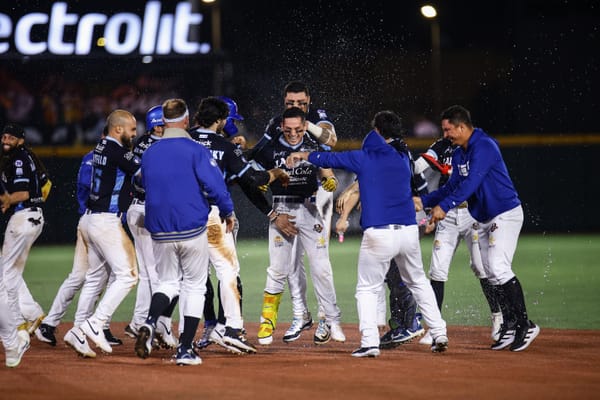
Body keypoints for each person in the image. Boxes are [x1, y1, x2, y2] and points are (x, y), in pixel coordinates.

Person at [287, 110, 448, 357]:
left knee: (367, 288)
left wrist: (302, 154)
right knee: (418, 281)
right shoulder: (403, 156)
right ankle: (439, 332)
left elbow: (327, 159)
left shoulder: (364, 156)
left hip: (379, 234)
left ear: (378, 133)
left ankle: (370, 342)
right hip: (407, 232)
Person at [414, 105, 540, 352]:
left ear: (462, 127)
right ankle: (510, 325)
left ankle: (525, 325)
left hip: (504, 213)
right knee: (491, 272)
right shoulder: (461, 152)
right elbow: (452, 187)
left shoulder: (484, 146)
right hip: (483, 218)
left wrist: (445, 206)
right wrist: (425, 201)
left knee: (498, 267)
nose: (446, 134)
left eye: (448, 129)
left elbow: (472, 182)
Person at [134, 98, 234, 366]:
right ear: (187, 120)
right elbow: (215, 185)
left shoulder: (150, 152)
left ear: (163, 121)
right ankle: (185, 349)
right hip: (191, 226)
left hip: (159, 228)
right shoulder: (195, 150)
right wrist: (228, 211)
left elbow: (138, 182)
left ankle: (150, 321)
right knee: (194, 286)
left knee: (167, 282)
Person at [188, 96, 289, 354]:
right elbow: (251, 179)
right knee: (228, 270)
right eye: (230, 121)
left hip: (179, 216)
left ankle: (180, 334)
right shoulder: (225, 146)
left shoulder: (182, 140)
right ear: (221, 120)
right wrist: (276, 173)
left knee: (188, 279)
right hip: (211, 214)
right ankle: (232, 329)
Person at [247, 81, 341, 343]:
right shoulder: (277, 124)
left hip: (317, 194)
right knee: (289, 264)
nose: (296, 106)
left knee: (320, 262)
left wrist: (302, 125)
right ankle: (301, 314)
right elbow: (258, 153)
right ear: (284, 102)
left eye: (300, 103)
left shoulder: (318, 119)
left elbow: (331, 141)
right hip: (286, 198)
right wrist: (262, 173)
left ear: (308, 100)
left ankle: (326, 318)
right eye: (290, 103)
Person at [410, 128, 503, 346]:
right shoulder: (442, 146)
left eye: (449, 128)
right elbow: (417, 167)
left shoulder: (476, 149)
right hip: (448, 214)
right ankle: (435, 327)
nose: (446, 133)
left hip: (473, 213)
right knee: (437, 270)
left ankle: (498, 318)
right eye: (444, 129)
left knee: (482, 267)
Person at [35, 126, 123, 350]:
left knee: (99, 276)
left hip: (96, 221)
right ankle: (57, 324)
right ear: (105, 137)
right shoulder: (94, 158)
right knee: (88, 277)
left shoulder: (104, 157)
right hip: (95, 221)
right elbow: (86, 188)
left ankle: (61, 324)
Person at [63, 109, 140, 356]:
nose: (134, 134)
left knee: (95, 279)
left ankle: (77, 331)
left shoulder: (99, 149)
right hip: (106, 221)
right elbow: (143, 173)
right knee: (128, 275)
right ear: (118, 129)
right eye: (132, 129)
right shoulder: (118, 151)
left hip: (89, 219)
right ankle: (96, 324)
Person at [122, 105, 177, 350]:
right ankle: (158, 325)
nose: (166, 127)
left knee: (147, 273)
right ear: (158, 125)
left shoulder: (143, 143)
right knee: (158, 275)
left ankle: (138, 321)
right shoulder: (155, 146)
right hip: (147, 210)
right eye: (163, 123)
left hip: (137, 209)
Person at [0, 123, 50, 341]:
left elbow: (21, 193)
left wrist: (8, 200)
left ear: (20, 140)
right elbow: (46, 185)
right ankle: (32, 314)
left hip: (23, 217)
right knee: (9, 270)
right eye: (4, 137)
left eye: (11, 138)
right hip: (31, 217)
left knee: (6, 275)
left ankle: (14, 326)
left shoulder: (19, 158)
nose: (6, 141)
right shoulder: (26, 157)